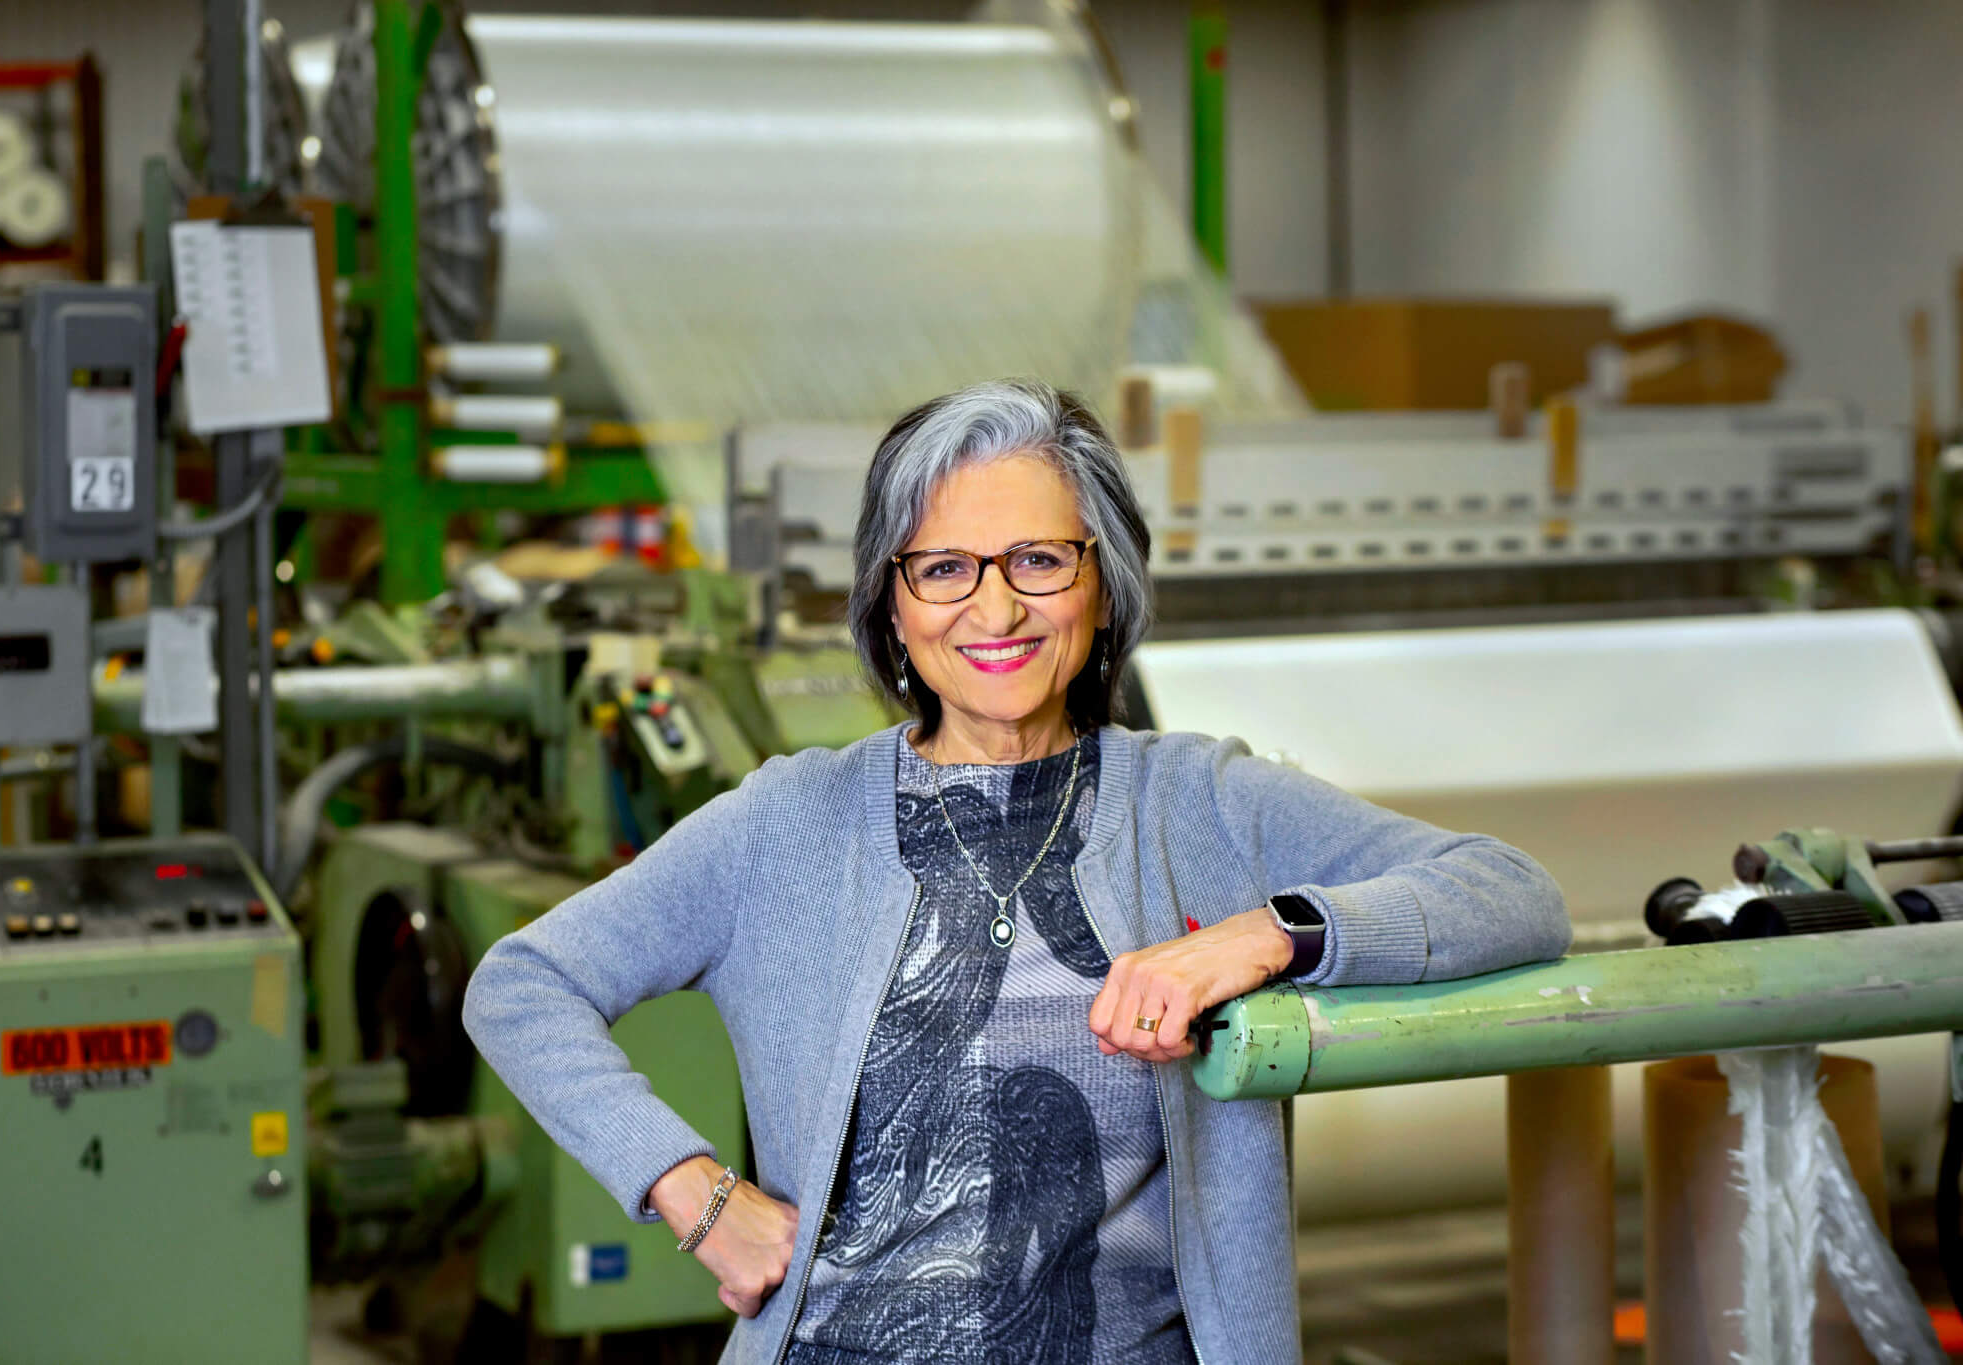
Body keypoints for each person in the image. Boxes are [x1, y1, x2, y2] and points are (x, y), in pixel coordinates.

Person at [463, 378, 1571, 1364]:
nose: (992, 610)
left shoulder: (1198, 802)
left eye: (1038, 560)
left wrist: (1260, 935)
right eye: (942, 568)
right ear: (890, 606)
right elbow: (520, 984)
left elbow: (1508, 890)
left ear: (1102, 586)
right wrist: (697, 1194)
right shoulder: (786, 823)